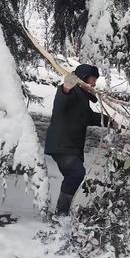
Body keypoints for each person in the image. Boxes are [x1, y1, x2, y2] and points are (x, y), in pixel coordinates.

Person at [45, 64, 111, 216]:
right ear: (83, 78)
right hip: (62, 144)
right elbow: (62, 101)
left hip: (70, 146)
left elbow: (88, 116)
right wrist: (66, 89)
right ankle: (61, 213)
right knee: (76, 173)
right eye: (92, 79)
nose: (94, 84)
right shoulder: (72, 91)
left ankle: (62, 212)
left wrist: (112, 122)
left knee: (73, 175)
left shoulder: (82, 97)